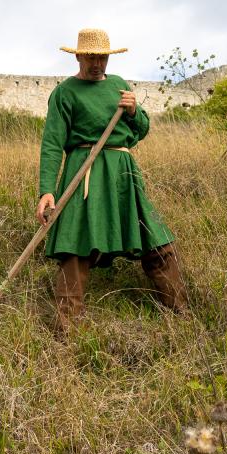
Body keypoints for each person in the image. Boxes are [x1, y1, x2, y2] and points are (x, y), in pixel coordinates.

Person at [35, 28, 187, 330]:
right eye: (90, 58)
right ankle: (67, 329)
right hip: (84, 172)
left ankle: (181, 313)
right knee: (73, 245)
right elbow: (52, 144)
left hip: (122, 174)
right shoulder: (65, 93)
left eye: (102, 58)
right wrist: (47, 190)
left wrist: (134, 111)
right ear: (79, 56)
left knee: (155, 238)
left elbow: (141, 130)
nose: (96, 64)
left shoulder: (118, 86)